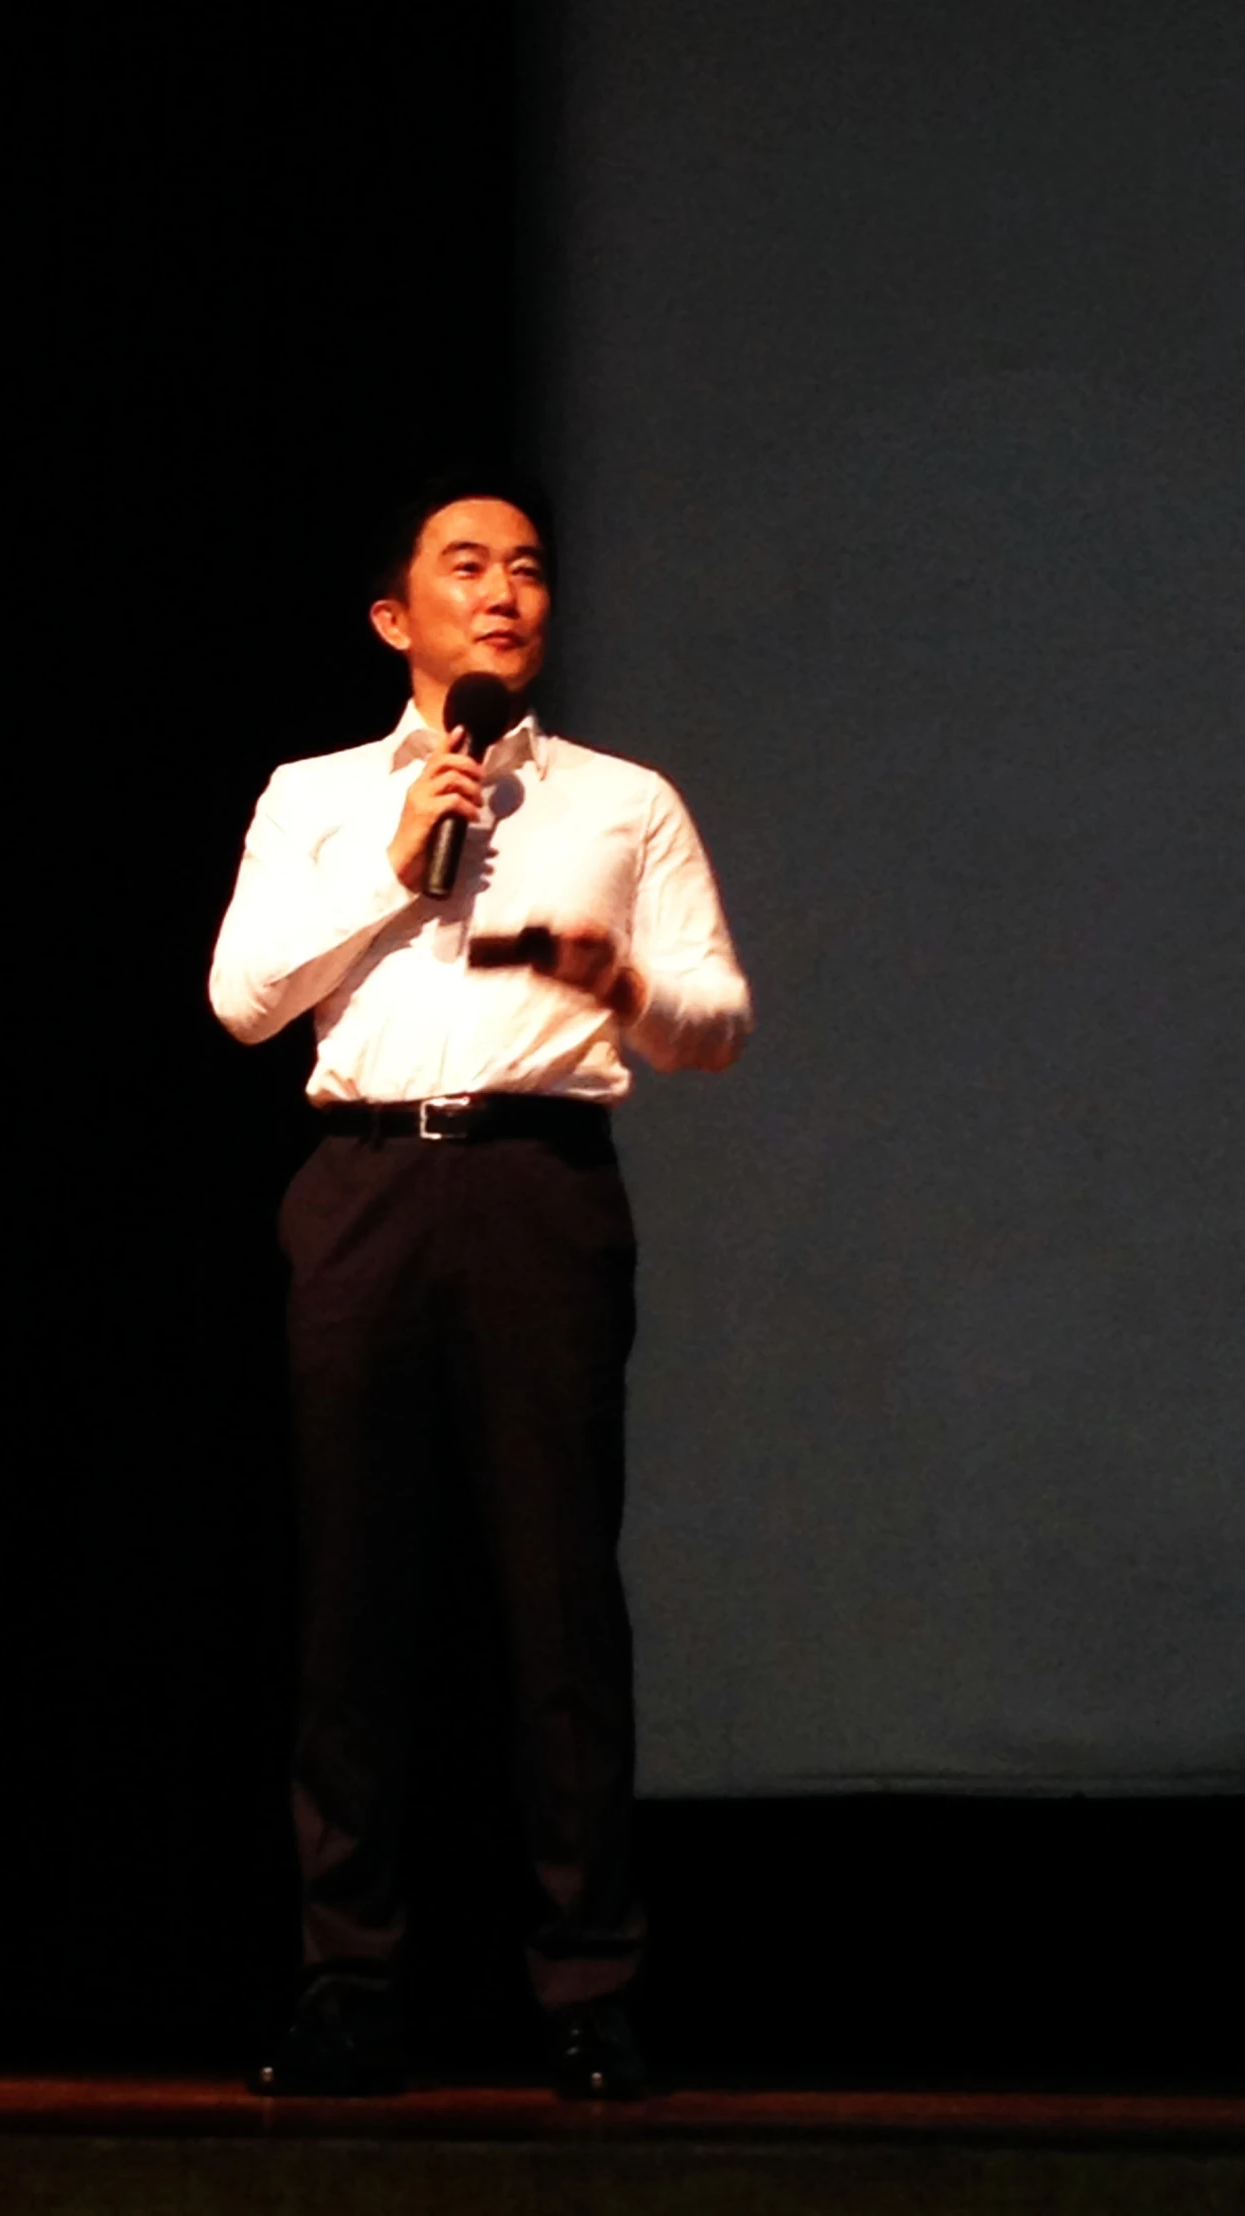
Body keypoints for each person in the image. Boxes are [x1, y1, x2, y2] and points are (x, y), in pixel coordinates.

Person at [208, 473, 752, 2097]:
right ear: (398, 616)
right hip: (363, 1189)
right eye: (465, 566)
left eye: (527, 568)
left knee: (556, 1596)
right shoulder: (312, 796)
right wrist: (392, 863)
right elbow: (241, 1001)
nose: (504, 591)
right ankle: (347, 1983)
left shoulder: (619, 802)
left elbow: (714, 1020)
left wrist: (620, 978)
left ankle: (586, 1986)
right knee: (352, 1599)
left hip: (536, 1192)